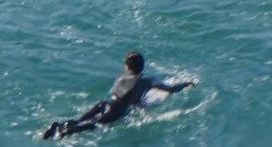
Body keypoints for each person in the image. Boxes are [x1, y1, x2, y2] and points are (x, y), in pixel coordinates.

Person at [41, 53, 193, 139]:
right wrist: (186, 84)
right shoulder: (146, 81)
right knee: (93, 124)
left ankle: (60, 125)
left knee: (82, 119)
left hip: (105, 103)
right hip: (117, 109)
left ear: (127, 67)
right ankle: (65, 131)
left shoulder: (123, 77)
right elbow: (171, 89)